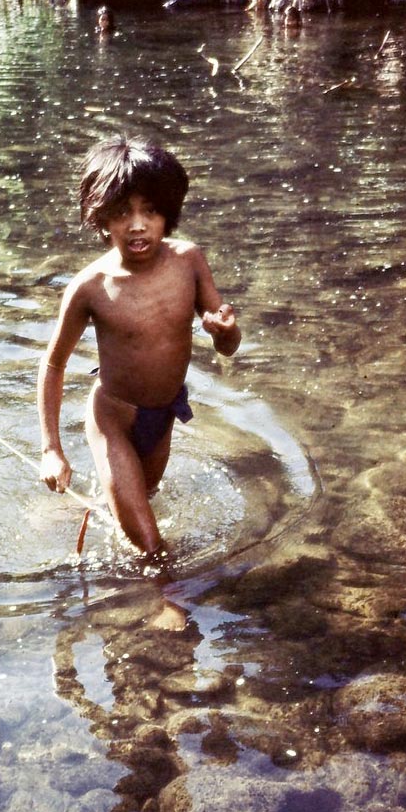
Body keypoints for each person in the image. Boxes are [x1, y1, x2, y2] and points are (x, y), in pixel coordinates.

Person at [37, 136, 241, 557]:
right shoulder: (91, 287)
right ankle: (167, 595)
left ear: (168, 214)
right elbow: (53, 364)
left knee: (142, 502)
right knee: (150, 547)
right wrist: (51, 450)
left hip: (162, 417)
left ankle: (87, 513)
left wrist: (225, 333)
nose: (136, 225)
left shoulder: (189, 262)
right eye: (121, 213)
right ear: (101, 219)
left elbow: (228, 348)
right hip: (113, 420)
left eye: (150, 211)